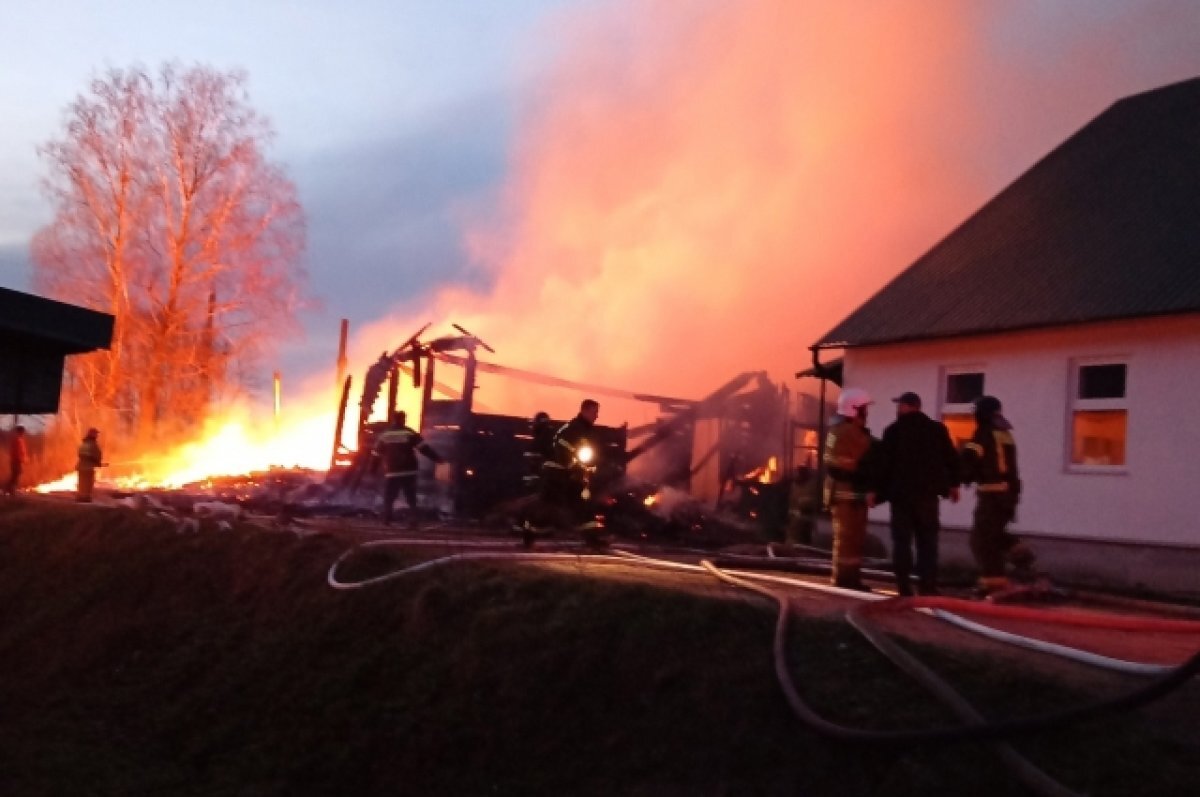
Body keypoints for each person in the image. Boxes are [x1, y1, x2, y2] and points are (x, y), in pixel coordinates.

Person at [874, 392, 961, 596]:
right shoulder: (937, 430)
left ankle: (904, 588)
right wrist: (953, 485)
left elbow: (883, 466)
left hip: (901, 498)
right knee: (928, 543)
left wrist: (876, 493)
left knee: (902, 542)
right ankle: (928, 586)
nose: (897, 409)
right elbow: (951, 458)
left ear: (908, 406)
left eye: (900, 405)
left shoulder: (893, 431)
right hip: (928, 498)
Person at [960, 395, 1033, 596]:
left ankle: (993, 583)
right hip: (1008, 494)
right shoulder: (1005, 433)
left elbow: (970, 460)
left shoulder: (983, 433)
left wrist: (956, 473)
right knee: (993, 533)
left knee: (981, 540)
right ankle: (1017, 549)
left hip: (991, 495)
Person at [823, 388, 878, 591]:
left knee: (852, 539)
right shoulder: (849, 432)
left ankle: (849, 578)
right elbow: (871, 452)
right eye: (864, 409)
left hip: (847, 492)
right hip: (846, 493)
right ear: (855, 410)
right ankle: (844, 580)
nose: (867, 413)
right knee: (848, 540)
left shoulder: (838, 429)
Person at [542, 399, 602, 540]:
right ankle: (531, 532)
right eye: (594, 412)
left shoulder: (587, 431)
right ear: (584, 411)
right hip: (557, 474)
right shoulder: (572, 429)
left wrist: (592, 467)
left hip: (571, 475)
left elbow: (589, 453)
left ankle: (592, 537)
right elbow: (562, 448)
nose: (596, 416)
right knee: (548, 506)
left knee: (581, 504)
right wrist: (573, 466)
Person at [373, 411, 443, 528]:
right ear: (403, 419)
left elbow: (376, 454)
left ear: (393, 419)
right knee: (410, 496)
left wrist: (372, 469)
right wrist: (437, 459)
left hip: (392, 470)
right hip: (409, 469)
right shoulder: (409, 433)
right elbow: (424, 448)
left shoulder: (385, 435)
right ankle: (413, 520)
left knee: (389, 496)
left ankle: (387, 519)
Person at [76, 427, 104, 503]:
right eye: (96, 434)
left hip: (81, 467)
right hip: (88, 467)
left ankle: (80, 497)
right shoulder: (92, 444)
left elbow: (81, 454)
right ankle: (86, 498)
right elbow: (94, 455)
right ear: (92, 434)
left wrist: (96, 462)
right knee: (88, 483)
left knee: (82, 482)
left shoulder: (84, 443)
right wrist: (97, 462)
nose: (97, 435)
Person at [5, 425, 28, 495]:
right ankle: (10, 490)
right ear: (20, 432)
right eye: (23, 432)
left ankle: (10, 489)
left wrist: (25, 458)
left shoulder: (19, 440)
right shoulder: (17, 440)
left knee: (16, 475)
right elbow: (17, 452)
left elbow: (22, 451)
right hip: (16, 461)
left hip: (17, 461)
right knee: (15, 475)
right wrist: (22, 459)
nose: (23, 433)